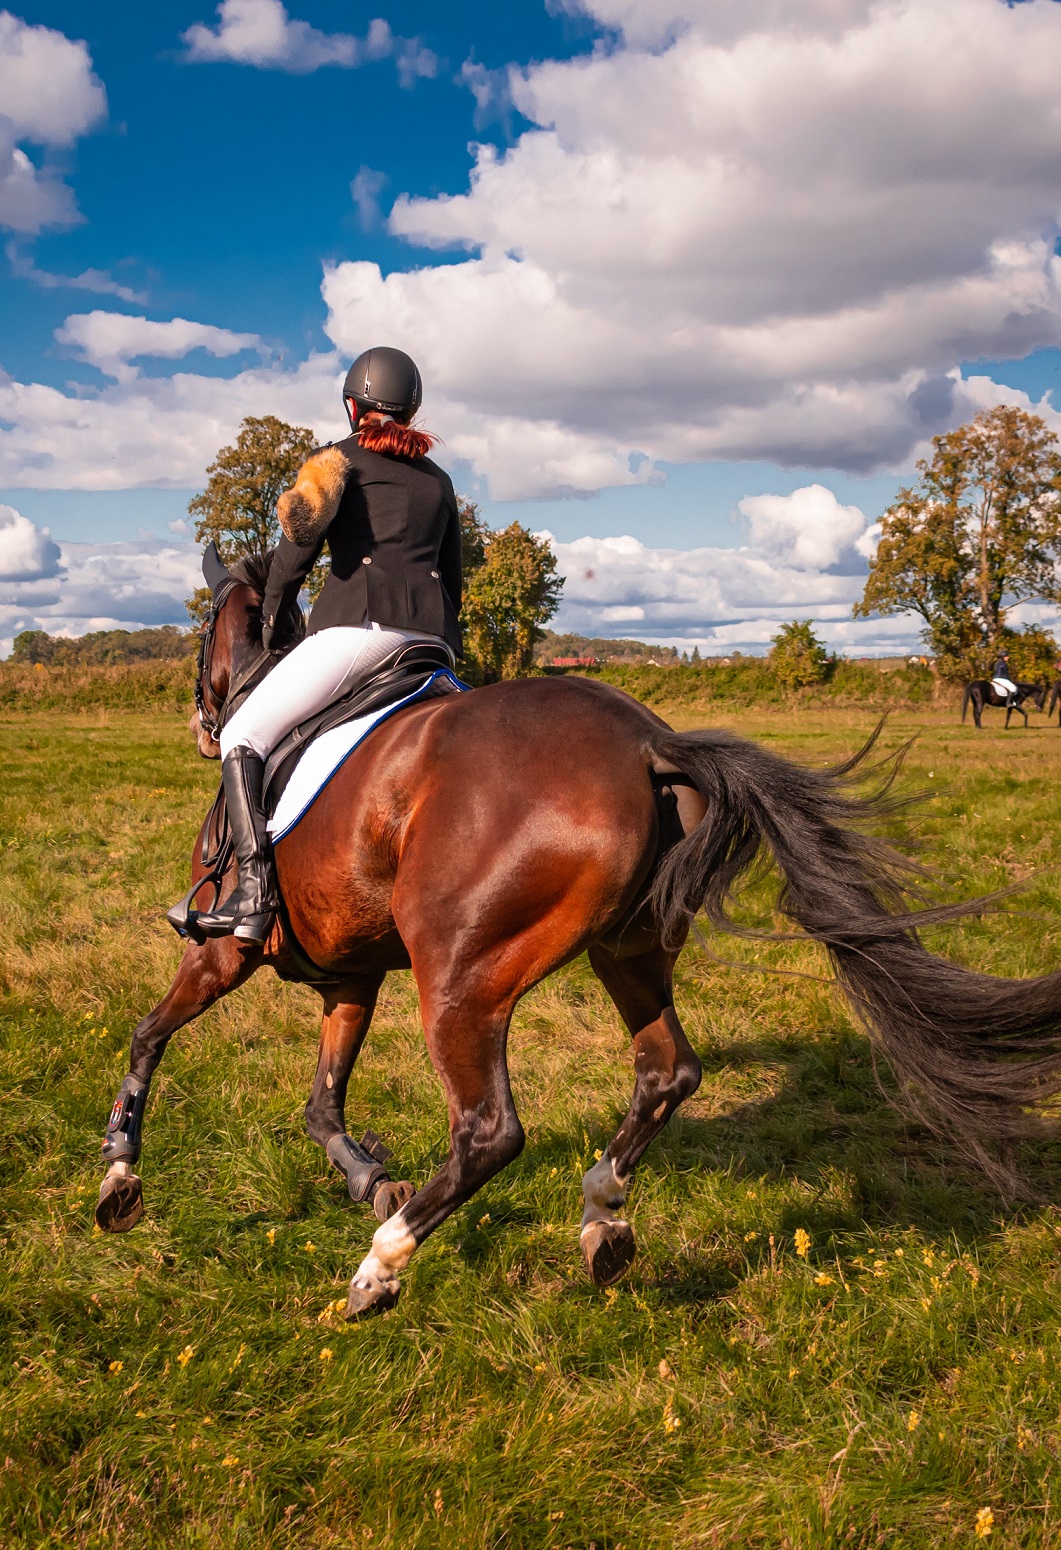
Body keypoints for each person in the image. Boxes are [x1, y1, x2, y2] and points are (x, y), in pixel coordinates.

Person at [189, 346, 462, 945]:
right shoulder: (440, 482)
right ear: (411, 408)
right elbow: (454, 577)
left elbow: (292, 558)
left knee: (241, 734)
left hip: (359, 633)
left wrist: (270, 620)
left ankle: (254, 894)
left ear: (351, 404)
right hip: (433, 645)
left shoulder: (332, 463)